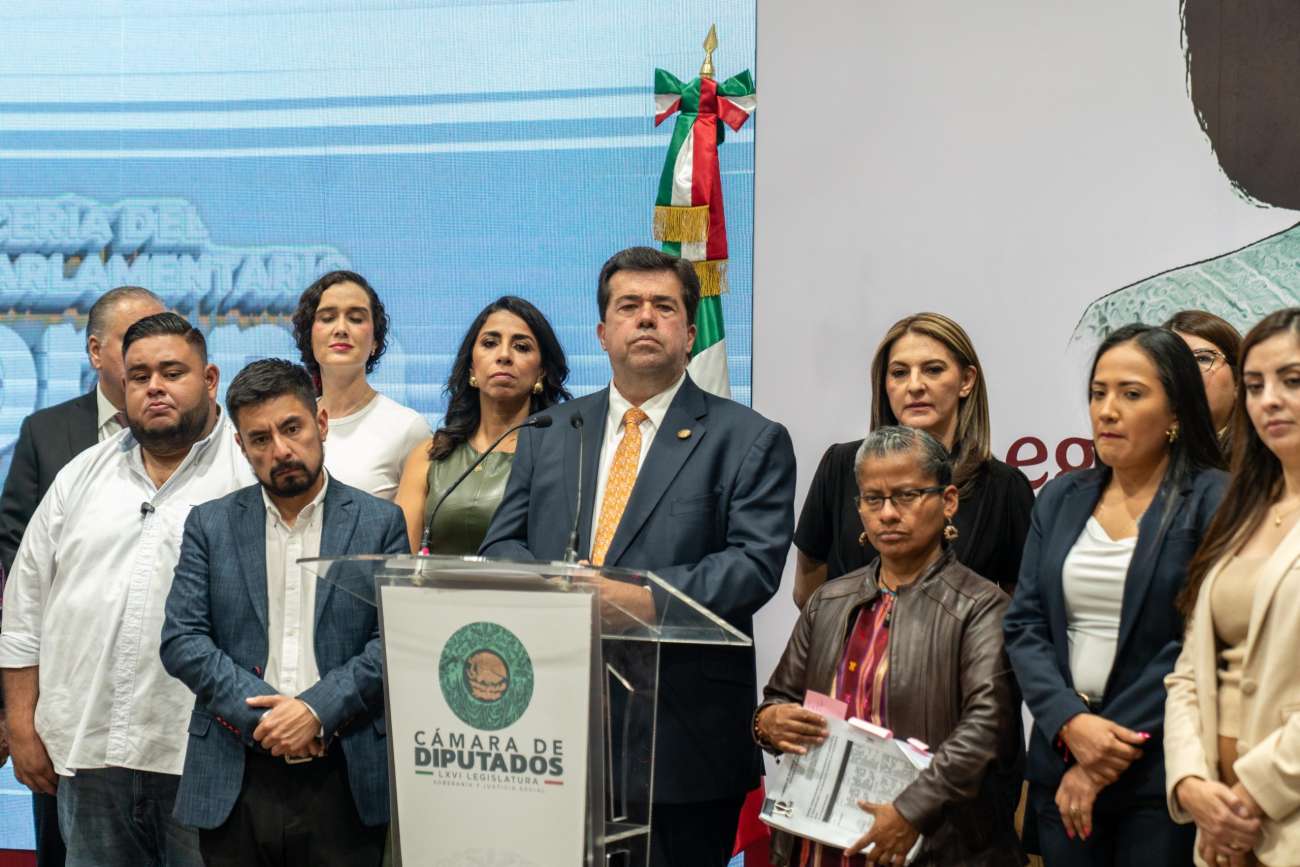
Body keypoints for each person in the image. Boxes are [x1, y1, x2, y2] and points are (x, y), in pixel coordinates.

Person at [480, 246, 796, 867]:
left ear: (689, 332)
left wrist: (643, 600)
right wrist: (558, 592)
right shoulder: (549, 432)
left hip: (680, 743)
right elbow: (501, 546)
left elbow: (752, 566)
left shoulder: (748, 439)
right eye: (629, 306)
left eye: (664, 307)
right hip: (548, 733)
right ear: (603, 333)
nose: (646, 318)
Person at [0, 312, 254, 867]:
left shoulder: (249, 474)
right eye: (140, 376)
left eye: (172, 372)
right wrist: (20, 724)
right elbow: (23, 611)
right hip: (89, 755)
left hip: (208, 758)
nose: (154, 387)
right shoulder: (80, 476)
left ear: (210, 379)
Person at [160, 359, 406, 867]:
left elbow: (395, 641)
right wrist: (269, 720)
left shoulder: (380, 523)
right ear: (241, 446)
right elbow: (182, 640)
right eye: (260, 438)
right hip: (235, 772)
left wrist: (315, 710)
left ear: (321, 422)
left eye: (292, 428)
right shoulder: (210, 525)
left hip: (344, 773)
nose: (281, 450)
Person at [1004, 323, 1227, 866]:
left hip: (1160, 770)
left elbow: (1198, 641)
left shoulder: (1213, 499)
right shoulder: (1060, 497)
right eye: (1098, 393)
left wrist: (1104, 753)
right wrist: (1070, 723)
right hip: (1061, 756)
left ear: (1176, 412)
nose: (1107, 410)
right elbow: (1025, 624)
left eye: (1131, 394)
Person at [758, 425, 1023, 866]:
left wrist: (910, 811)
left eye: (906, 496)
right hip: (820, 841)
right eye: (873, 499)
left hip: (931, 842)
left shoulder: (981, 607)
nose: (887, 514)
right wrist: (768, 723)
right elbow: (778, 699)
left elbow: (985, 732)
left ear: (948, 501)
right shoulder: (829, 600)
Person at [0, 283, 164, 867]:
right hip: (65, 702)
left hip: (166, 712)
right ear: (96, 351)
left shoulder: (201, 437)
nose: (150, 354)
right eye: (133, 339)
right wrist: (19, 712)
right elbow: (16, 568)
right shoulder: (46, 433)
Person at [1165, 308, 1300, 867]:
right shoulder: (1239, 509)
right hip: (1216, 827)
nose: (1270, 400)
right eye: (1255, 385)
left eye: (1292, 381)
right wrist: (1191, 783)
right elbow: (1190, 671)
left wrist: (1249, 797)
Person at [793, 312, 1034, 608]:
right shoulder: (841, 465)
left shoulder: (1005, 487)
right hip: (851, 639)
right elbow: (808, 594)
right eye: (899, 373)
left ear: (966, 380)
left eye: (933, 370)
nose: (915, 385)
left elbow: (1018, 610)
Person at [394, 296, 571, 554]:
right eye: (490, 343)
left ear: (541, 372)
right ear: (471, 368)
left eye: (521, 347)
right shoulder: (429, 455)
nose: (504, 355)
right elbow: (399, 561)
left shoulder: (563, 456)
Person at [291, 270, 430, 500]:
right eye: (327, 318)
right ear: (309, 336)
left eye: (356, 319)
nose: (341, 329)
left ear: (375, 340)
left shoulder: (407, 428)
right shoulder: (288, 427)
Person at [1164, 310, 1242, 458]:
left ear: (1238, 379)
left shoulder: (1271, 455)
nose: (1187, 371)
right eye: (1173, 361)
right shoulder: (1143, 455)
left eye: (1202, 359)